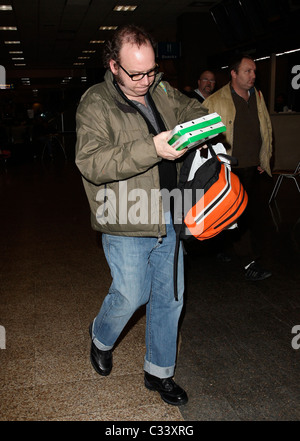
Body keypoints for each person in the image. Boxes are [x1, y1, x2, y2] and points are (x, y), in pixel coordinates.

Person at [75, 24, 208, 406]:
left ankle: (159, 373)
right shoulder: (95, 102)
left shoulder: (160, 88)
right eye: (136, 73)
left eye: (151, 70)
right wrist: (152, 148)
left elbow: (191, 107)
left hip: (171, 208)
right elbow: (92, 162)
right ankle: (101, 335)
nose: (145, 80)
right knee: (132, 293)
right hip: (127, 216)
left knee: (170, 298)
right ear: (113, 65)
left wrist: (198, 126)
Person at [203, 54, 273, 281]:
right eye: (248, 71)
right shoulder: (216, 100)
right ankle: (249, 262)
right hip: (229, 166)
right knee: (239, 213)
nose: (253, 76)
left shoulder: (257, 95)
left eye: (254, 71)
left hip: (252, 165)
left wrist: (264, 158)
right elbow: (201, 134)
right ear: (233, 73)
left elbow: (266, 129)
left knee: (239, 213)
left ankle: (222, 247)